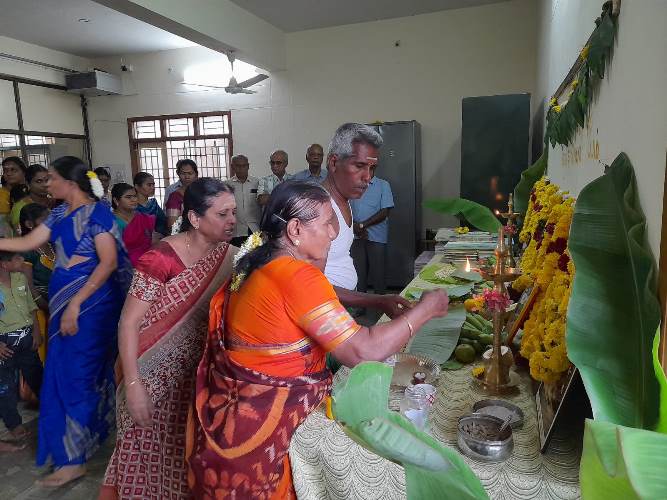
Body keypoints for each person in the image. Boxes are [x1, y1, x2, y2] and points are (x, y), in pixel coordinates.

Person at [187, 181, 449, 498]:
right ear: (295, 229)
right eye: (327, 223)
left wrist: (376, 300)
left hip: (236, 415)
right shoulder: (295, 275)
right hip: (264, 421)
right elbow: (363, 350)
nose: (334, 233)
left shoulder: (263, 260)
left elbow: (311, 296)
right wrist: (425, 310)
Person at [100, 178, 237, 500]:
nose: (232, 220)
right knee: (143, 455)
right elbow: (129, 322)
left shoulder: (231, 257)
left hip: (198, 378)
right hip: (147, 374)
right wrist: (133, 385)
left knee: (184, 457)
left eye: (233, 212)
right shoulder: (160, 258)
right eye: (222, 214)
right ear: (194, 218)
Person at [0, 156, 131, 487]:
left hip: (89, 309)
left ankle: (74, 459)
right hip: (65, 307)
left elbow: (107, 263)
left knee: (76, 377)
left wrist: (76, 303)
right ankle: (75, 449)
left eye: (52, 178)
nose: (48, 184)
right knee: (61, 376)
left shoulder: (98, 215)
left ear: (70, 184)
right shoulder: (59, 213)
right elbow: (28, 242)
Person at [321, 123, 409, 317]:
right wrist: (376, 300)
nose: (368, 177)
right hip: (322, 316)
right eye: (359, 166)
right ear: (334, 163)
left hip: (339, 311)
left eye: (372, 168)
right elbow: (307, 285)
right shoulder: (316, 209)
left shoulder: (345, 199)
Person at [0, 250, 43, 447]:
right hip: (4, 345)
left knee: (37, 375)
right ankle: (14, 424)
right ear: (4, 264)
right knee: (5, 386)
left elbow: (31, 307)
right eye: (17, 258)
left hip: (27, 338)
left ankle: (50, 409)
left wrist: (36, 331)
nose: (22, 260)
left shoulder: (20, 279)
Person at [350, 164, 394, 296]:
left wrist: (363, 225)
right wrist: (356, 226)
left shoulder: (383, 185)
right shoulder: (353, 184)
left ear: (374, 169)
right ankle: (360, 304)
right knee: (358, 275)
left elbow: (385, 212)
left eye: (370, 168)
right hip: (356, 235)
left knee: (378, 275)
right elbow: (346, 208)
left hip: (376, 237)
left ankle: (381, 305)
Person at [19, 203, 53, 363]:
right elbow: (28, 286)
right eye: (45, 220)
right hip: (39, 309)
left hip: (56, 304)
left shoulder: (53, 245)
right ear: (29, 224)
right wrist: (46, 305)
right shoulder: (27, 250)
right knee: (44, 354)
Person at [111, 183, 156, 266]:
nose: (133, 200)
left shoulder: (144, 218)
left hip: (147, 263)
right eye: (128, 197)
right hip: (121, 266)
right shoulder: (110, 220)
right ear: (116, 200)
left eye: (135, 196)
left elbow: (152, 240)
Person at [225, 155, 261, 247]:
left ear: (248, 166)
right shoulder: (226, 185)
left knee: (255, 254)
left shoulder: (258, 183)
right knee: (237, 255)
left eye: (244, 166)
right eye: (238, 166)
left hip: (254, 229)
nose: (241, 169)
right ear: (232, 167)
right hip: (235, 230)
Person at [10, 164, 51, 232]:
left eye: (47, 180)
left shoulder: (54, 202)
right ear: (27, 184)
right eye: (39, 181)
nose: (45, 185)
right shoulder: (20, 208)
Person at [166, 159, 198, 230]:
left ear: (196, 174)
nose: (187, 177)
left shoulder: (202, 192)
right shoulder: (175, 197)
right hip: (184, 234)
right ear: (178, 174)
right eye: (183, 173)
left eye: (190, 173)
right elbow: (172, 226)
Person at [133, 172, 168, 236]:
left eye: (153, 184)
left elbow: (164, 221)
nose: (153, 187)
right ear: (137, 186)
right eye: (149, 185)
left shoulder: (153, 203)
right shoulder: (132, 206)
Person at [0, 157, 27, 228]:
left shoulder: (32, 192)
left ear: (24, 172)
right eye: (5, 170)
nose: (8, 173)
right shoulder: (1, 195)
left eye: (13, 170)